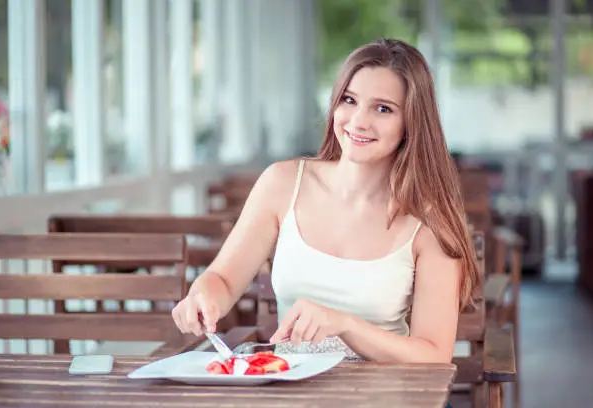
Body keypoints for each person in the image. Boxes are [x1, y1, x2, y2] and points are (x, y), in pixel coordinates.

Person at [172, 38, 481, 364]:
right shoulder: (282, 183)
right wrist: (204, 295)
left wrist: (346, 324)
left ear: (412, 124)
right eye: (349, 100)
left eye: (383, 108)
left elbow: (434, 355)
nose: (358, 121)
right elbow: (222, 279)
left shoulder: (429, 222)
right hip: (291, 391)